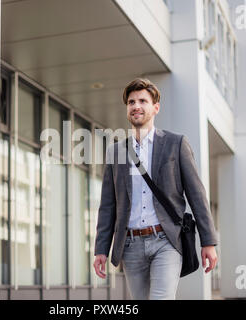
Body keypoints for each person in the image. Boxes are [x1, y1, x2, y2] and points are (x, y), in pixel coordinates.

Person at [93, 78, 218, 300]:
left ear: (156, 108)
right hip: (130, 245)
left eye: (143, 101)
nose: (136, 106)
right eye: (131, 102)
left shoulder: (176, 144)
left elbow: (197, 195)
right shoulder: (116, 151)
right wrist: (101, 249)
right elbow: (108, 205)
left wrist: (208, 241)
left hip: (166, 241)